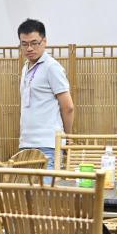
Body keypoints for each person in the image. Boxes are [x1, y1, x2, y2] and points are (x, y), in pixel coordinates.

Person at [17, 19, 74, 169]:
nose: (29, 48)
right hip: (26, 144)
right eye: (24, 44)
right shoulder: (25, 67)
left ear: (44, 42)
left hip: (48, 145)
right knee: (26, 185)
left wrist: (67, 136)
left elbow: (68, 107)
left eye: (34, 43)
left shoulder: (52, 67)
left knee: (45, 185)